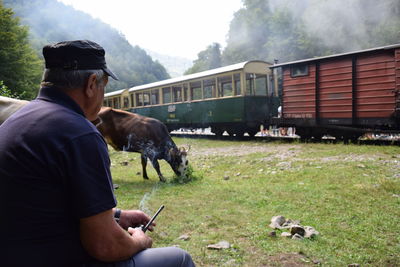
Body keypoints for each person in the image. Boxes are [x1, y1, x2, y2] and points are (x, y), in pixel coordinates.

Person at [0, 40, 195, 267]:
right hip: (53, 258)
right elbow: (106, 246)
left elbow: (48, 201)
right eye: (104, 86)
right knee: (179, 259)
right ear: (92, 84)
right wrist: (139, 241)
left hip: (16, 253)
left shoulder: (18, 120)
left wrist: (117, 215)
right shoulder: (79, 133)